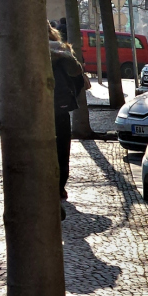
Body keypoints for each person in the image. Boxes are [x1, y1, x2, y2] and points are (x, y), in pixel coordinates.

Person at [50, 25, 85, 208]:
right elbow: (77, 74)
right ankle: (59, 187)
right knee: (62, 149)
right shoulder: (61, 49)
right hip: (60, 106)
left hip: (35, 109)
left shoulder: (24, 50)